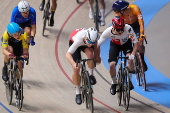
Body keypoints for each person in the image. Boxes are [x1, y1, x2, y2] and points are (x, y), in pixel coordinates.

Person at [96, 16, 139, 95]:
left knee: (130, 60)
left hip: (126, 44)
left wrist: (132, 55)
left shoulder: (128, 28)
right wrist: (97, 56)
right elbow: (97, 45)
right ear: (113, 27)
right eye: (118, 30)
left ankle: (129, 80)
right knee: (112, 65)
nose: (120, 32)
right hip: (115, 45)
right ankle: (114, 82)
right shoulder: (107, 31)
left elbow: (136, 43)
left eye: (122, 29)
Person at [66, 27, 99, 105]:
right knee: (77, 68)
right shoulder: (78, 39)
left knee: (91, 54)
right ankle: (78, 92)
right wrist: (74, 64)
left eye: (93, 42)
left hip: (84, 43)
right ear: (85, 37)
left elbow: (96, 45)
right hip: (75, 43)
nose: (91, 44)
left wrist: (97, 56)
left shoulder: (94, 38)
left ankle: (91, 75)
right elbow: (67, 54)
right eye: (90, 41)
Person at [112, 0, 147, 71]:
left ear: (123, 10)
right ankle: (132, 62)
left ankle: (142, 61)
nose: (116, 13)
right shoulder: (118, 15)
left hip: (136, 25)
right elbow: (117, 27)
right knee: (128, 43)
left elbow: (141, 22)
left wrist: (142, 33)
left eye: (117, 11)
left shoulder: (135, 8)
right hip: (127, 27)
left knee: (140, 43)